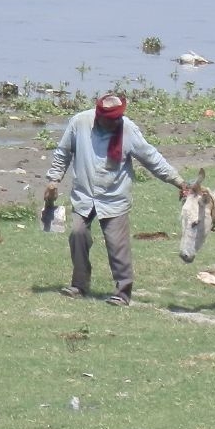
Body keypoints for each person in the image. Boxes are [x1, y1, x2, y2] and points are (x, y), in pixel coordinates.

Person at [43, 92, 185, 306]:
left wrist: (179, 182)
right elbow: (63, 152)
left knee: (117, 246)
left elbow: (152, 159)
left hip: (114, 197)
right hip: (84, 195)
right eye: (108, 120)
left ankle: (123, 292)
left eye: (116, 120)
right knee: (77, 234)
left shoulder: (128, 129)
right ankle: (79, 284)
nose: (113, 124)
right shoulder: (80, 122)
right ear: (98, 115)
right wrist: (53, 180)